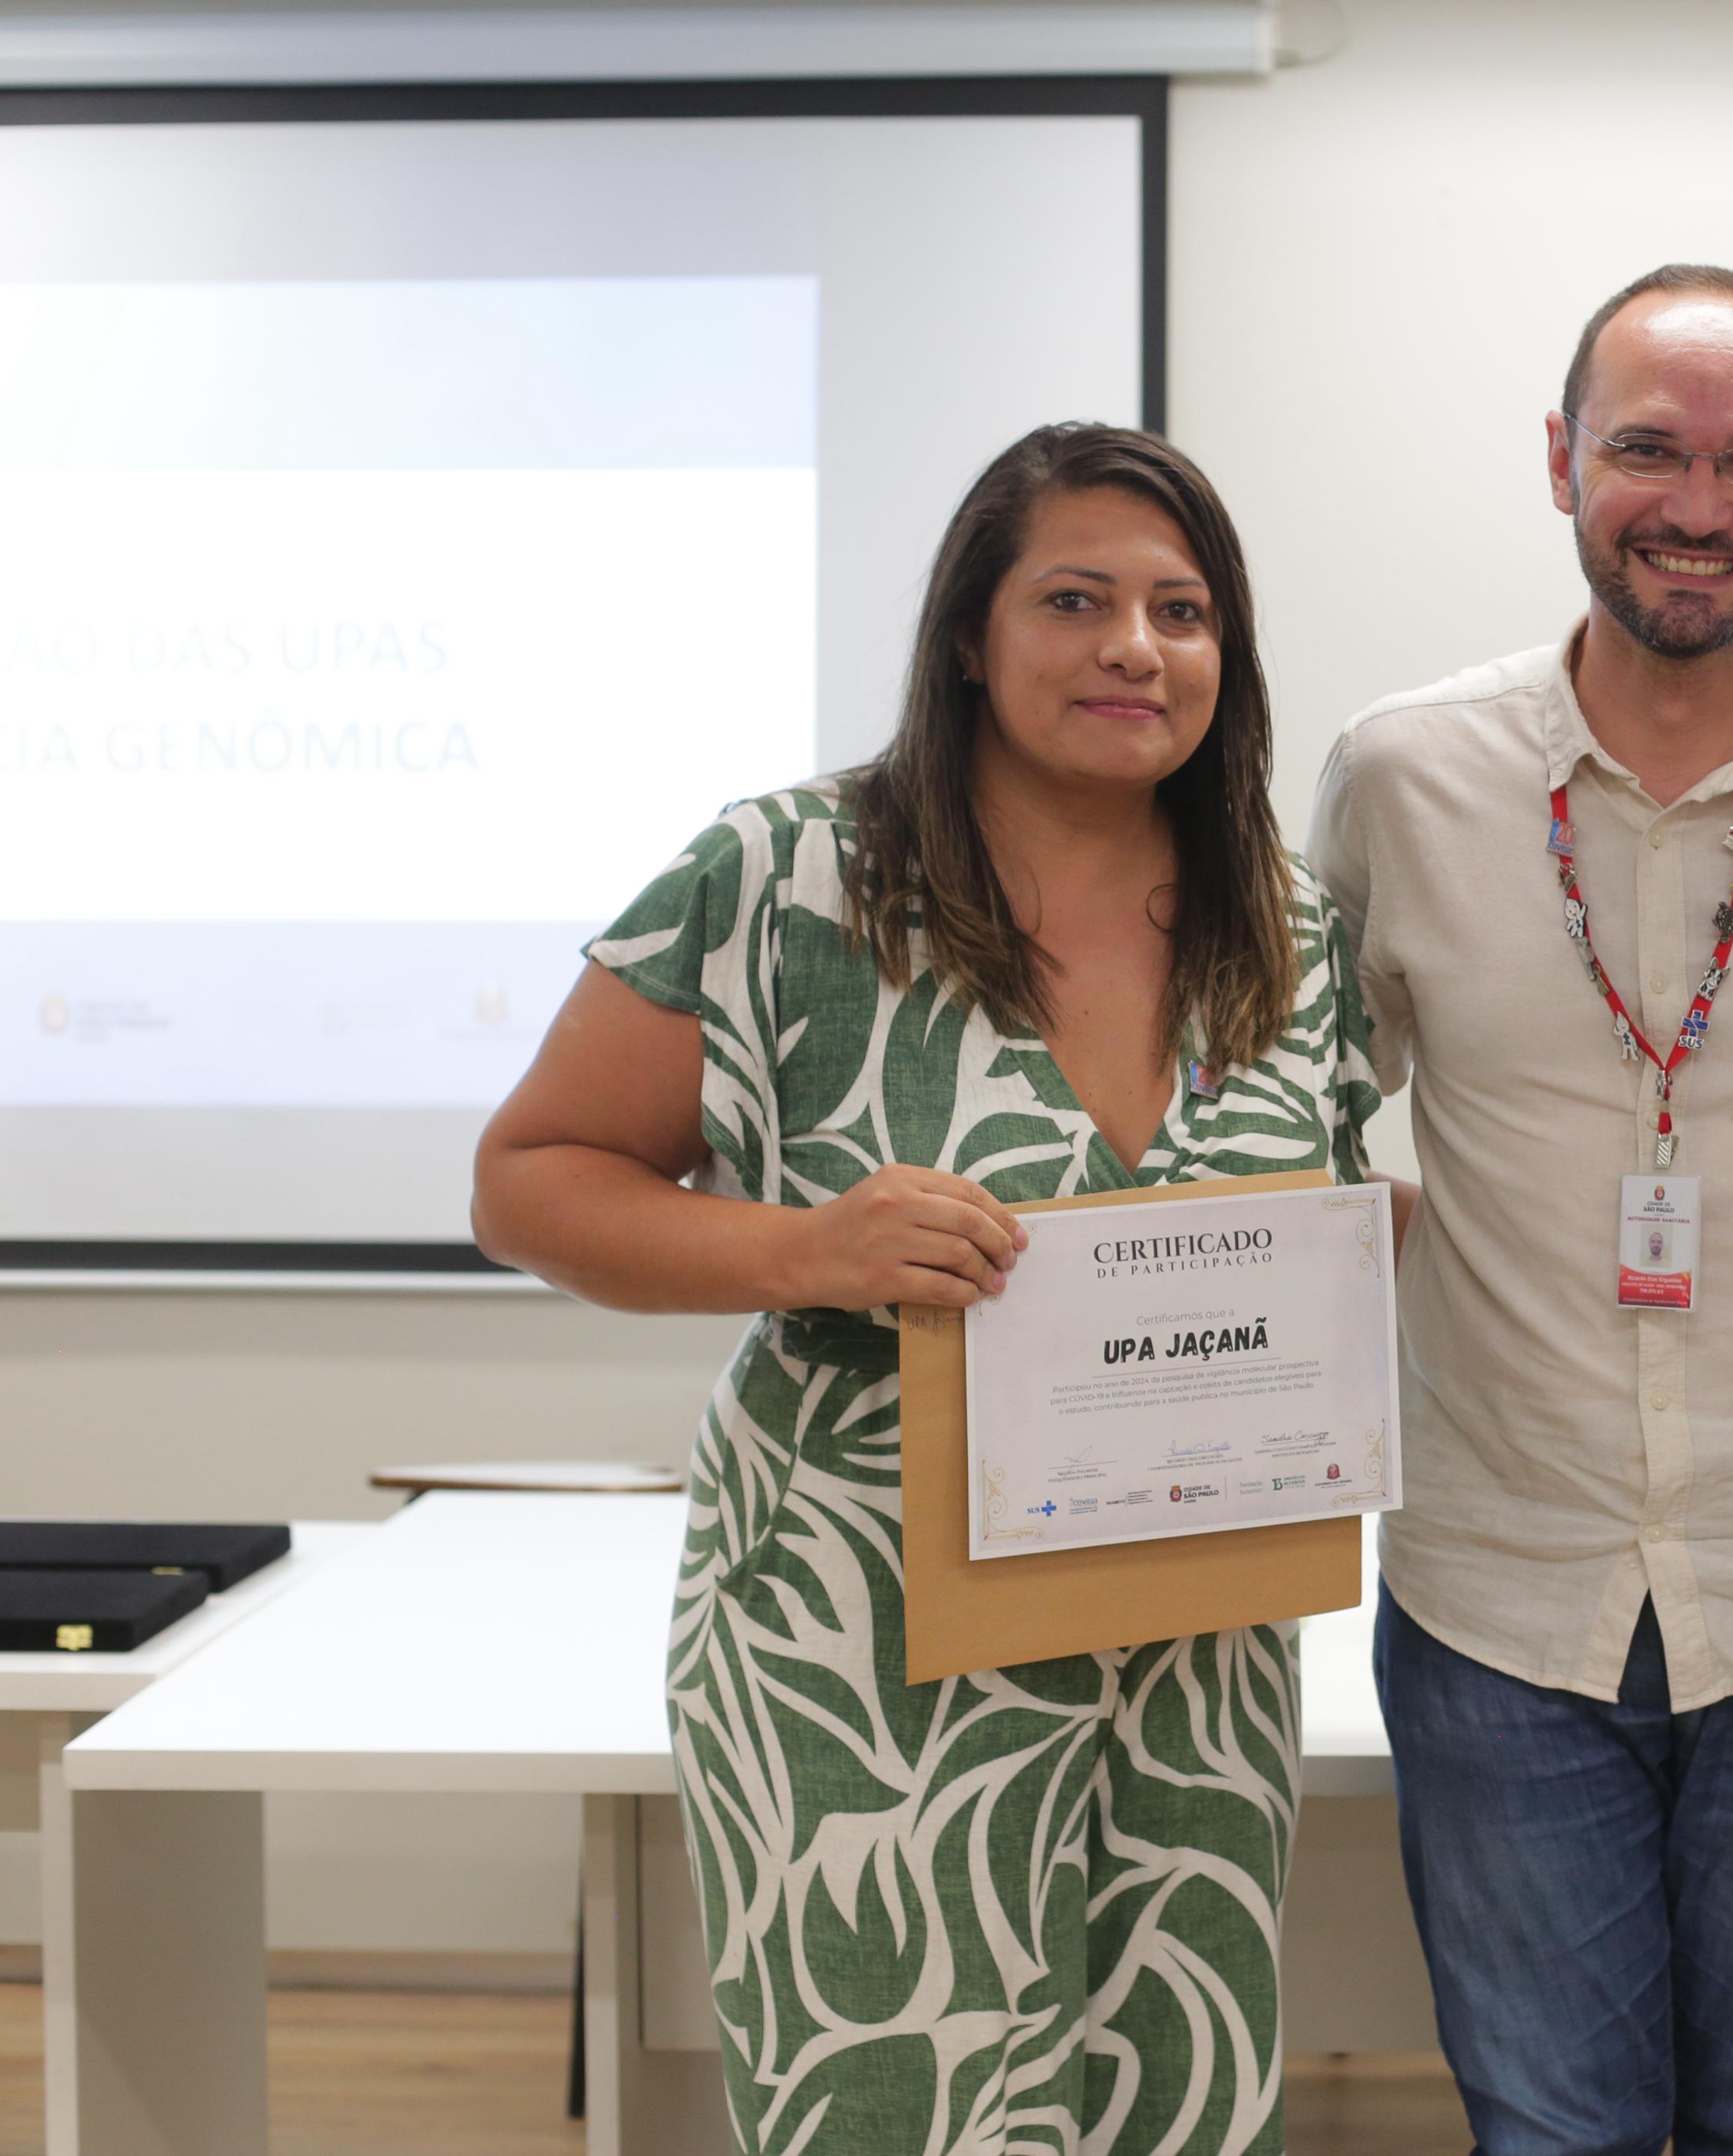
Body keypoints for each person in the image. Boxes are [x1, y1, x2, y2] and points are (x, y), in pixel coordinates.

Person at [471, 425, 1376, 2156]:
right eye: (1076, 599)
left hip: (1192, 1647)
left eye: (1182, 611)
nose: (1135, 646)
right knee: (898, 2113)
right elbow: (530, 1181)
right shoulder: (785, 879)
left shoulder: (1287, 926)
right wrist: (800, 1249)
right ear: (969, 633)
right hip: (862, 1654)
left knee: (1177, 2101)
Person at [1308, 264, 1733, 2156]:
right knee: (1553, 2136)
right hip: (1496, 1600)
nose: (1696, 503)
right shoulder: (1404, 775)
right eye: (1644, 448)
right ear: (1557, 461)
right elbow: (1289, 1120)